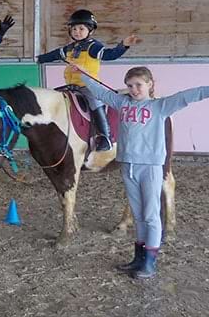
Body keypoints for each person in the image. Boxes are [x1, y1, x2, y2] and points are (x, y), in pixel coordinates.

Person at [76, 64, 209, 279]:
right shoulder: (122, 103)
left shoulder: (161, 106)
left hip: (150, 167)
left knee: (150, 214)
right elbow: (101, 92)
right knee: (138, 216)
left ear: (150, 84)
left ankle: (149, 263)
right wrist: (82, 74)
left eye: (138, 85)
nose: (134, 89)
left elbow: (188, 95)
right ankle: (138, 258)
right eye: (129, 85)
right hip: (128, 166)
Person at [38, 9, 140, 151]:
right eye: (74, 29)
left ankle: (105, 137)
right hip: (70, 86)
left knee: (94, 102)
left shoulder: (93, 46)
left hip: (89, 86)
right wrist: (38, 59)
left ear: (90, 31)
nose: (77, 32)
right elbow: (53, 55)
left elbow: (110, 55)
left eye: (81, 28)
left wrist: (123, 45)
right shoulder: (69, 49)